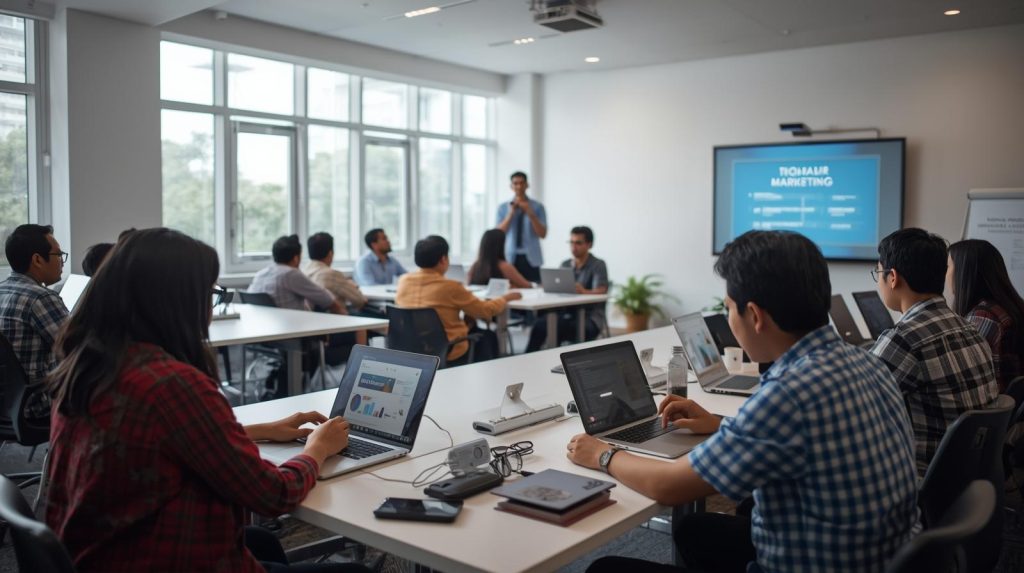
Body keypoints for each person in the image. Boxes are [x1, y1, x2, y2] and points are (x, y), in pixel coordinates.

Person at [568, 230, 919, 573]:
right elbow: (805, 435)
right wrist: (720, 424)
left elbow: (668, 486)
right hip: (882, 557)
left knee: (605, 568)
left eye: (729, 310)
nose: (729, 320)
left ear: (755, 315)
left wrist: (603, 453)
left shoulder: (788, 394)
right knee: (696, 530)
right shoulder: (866, 361)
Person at [44, 228, 362, 573]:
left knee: (261, 541)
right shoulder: (171, 384)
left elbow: (155, 440)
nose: (210, 308)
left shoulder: (88, 365)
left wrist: (261, 429)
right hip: (158, 558)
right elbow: (274, 495)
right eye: (209, 293)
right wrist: (318, 448)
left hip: (99, 553)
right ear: (177, 300)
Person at [870, 228, 998, 476]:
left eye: (878, 273)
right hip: (970, 476)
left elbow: (854, 402)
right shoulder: (969, 328)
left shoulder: (904, 339)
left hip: (923, 478)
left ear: (892, 277)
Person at [395, 235, 522, 365]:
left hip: (411, 348)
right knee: (488, 337)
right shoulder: (450, 287)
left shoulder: (403, 281)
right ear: (443, 259)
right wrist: (505, 298)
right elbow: (486, 310)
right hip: (447, 350)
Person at [0, 224, 69, 420]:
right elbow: (77, 350)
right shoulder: (41, 298)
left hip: (6, 406)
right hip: (35, 407)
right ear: (38, 260)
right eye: (58, 255)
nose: (62, 261)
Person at [948, 239, 1024, 393]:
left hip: (999, 403)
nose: (945, 274)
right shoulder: (1008, 307)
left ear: (963, 272)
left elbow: (968, 379)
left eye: (948, 266)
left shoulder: (984, 318)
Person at [525, 226, 608, 352]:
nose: (573, 247)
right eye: (571, 242)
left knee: (556, 326)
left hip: (590, 317)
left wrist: (584, 292)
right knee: (540, 324)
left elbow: (602, 290)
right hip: (565, 314)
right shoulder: (565, 264)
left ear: (589, 245)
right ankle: (529, 358)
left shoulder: (598, 265)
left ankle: (554, 356)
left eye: (578, 243)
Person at [303, 231, 369, 352]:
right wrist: (352, 286)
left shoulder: (303, 272)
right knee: (367, 322)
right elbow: (360, 301)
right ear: (330, 253)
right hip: (332, 328)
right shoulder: (331, 274)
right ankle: (363, 359)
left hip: (311, 328)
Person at [249, 234, 343, 314]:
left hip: (267, 326)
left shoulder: (260, 275)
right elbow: (327, 299)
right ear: (296, 258)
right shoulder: (290, 274)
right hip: (295, 326)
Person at [495, 172, 546, 283]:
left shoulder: (538, 207)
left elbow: (542, 234)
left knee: (535, 289)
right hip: (510, 257)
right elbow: (498, 234)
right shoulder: (503, 207)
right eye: (515, 183)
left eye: (522, 183)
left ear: (527, 185)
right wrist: (510, 214)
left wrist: (530, 213)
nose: (519, 186)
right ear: (511, 186)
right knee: (510, 288)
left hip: (532, 258)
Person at [467, 229, 531, 288]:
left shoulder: (475, 266)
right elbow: (527, 285)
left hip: (479, 296)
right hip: (501, 297)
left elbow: (468, 285)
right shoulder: (504, 266)